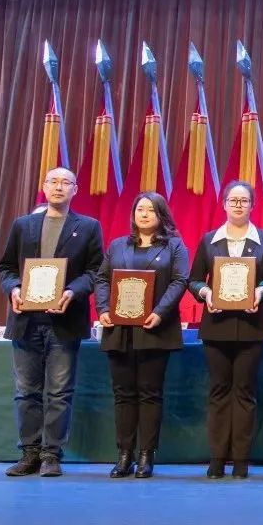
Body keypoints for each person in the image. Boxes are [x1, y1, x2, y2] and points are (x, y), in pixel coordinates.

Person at [0, 168, 104, 477]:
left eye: (65, 183)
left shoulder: (88, 226)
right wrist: (13, 289)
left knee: (59, 392)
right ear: (44, 186)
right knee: (26, 391)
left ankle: (51, 454)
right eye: (53, 182)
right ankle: (29, 452)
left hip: (65, 320)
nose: (59, 187)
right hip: (26, 320)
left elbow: (96, 271)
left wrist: (72, 291)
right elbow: (5, 267)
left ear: (75, 190)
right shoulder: (23, 224)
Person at [94, 192, 188, 479]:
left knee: (149, 393)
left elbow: (180, 281)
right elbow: (102, 278)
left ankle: (146, 455)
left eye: (151, 210)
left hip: (155, 328)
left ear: (161, 215)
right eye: (140, 209)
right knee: (123, 394)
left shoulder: (174, 246)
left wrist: (159, 312)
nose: (144, 214)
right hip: (119, 329)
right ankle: (124, 455)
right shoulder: (117, 245)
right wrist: (103, 308)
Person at [190, 181, 263, 479]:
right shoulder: (209, 240)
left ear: (252, 205)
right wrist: (206, 293)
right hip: (216, 327)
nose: (239, 205)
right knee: (218, 391)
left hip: (251, 327)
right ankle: (217, 459)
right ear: (225, 204)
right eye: (233, 200)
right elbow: (194, 280)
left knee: (244, 392)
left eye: (244, 201)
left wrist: (261, 292)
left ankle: (241, 460)